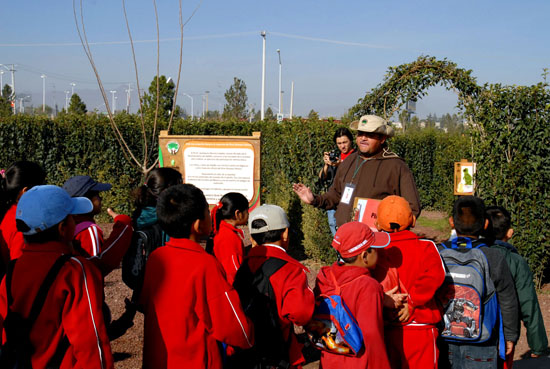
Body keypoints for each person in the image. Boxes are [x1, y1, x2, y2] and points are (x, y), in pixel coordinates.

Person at [139, 184, 253, 369]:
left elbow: (147, 303)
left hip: (161, 357)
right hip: (196, 359)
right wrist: (249, 336)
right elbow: (231, 326)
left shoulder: (156, 258)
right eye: (208, 213)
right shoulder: (205, 264)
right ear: (198, 224)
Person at [0, 185, 114, 368]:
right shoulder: (75, 270)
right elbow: (91, 344)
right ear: (63, 228)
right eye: (72, 217)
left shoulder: (11, 272)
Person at [293, 115, 421, 230]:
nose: (363, 138)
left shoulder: (396, 166)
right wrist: (314, 199)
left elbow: (412, 208)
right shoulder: (349, 160)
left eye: (370, 134)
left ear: (382, 138)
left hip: (376, 245)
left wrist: (387, 228)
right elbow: (336, 194)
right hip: (345, 238)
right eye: (360, 134)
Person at [438, 196, 519, 369]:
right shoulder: (493, 256)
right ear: (486, 224)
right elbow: (508, 299)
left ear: (452, 222)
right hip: (483, 340)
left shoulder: (438, 253)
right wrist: (510, 336)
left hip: (444, 338)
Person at [373, 195, 445, 369]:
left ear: (378, 224)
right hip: (421, 325)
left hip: (386, 326)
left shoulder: (372, 253)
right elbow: (435, 276)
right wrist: (412, 301)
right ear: (412, 220)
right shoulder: (426, 247)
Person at [111, 167, 182, 337]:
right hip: (165, 288)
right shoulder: (166, 219)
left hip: (144, 285)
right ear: (168, 191)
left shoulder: (141, 214)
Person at [244, 204, 315, 368]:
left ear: (253, 238)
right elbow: (301, 315)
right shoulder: (290, 269)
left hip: (248, 349)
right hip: (278, 350)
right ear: (285, 234)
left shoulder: (244, 266)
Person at [315, 221, 392, 369]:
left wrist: (382, 298)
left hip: (329, 360)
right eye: (374, 248)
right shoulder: (368, 286)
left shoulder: (325, 277)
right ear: (364, 256)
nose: (379, 252)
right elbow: (372, 335)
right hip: (358, 362)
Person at [484, 206, 548, 367]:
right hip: (505, 330)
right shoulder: (516, 261)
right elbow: (528, 304)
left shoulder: (475, 254)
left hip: (474, 326)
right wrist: (537, 344)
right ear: (510, 232)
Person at [62, 175, 133, 276]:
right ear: (85, 200)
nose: (100, 198)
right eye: (97, 194)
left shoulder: (68, 225)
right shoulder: (88, 230)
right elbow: (97, 266)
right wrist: (123, 224)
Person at [0, 161, 46, 263]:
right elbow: (20, 268)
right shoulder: (23, 226)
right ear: (25, 191)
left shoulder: (11, 212)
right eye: (43, 185)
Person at [318, 127, 356, 236]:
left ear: (351, 141)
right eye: (339, 143)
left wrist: (342, 165)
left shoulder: (357, 157)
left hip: (350, 199)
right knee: (333, 225)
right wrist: (326, 164)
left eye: (345, 142)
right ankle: (340, 251)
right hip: (335, 198)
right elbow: (322, 177)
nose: (342, 146)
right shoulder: (335, 157)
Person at [209, 192, 249, 285]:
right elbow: (234, 273)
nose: (248, 214)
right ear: (238, 214)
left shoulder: (222, 231)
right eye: (247, 211)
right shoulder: (229, 238)